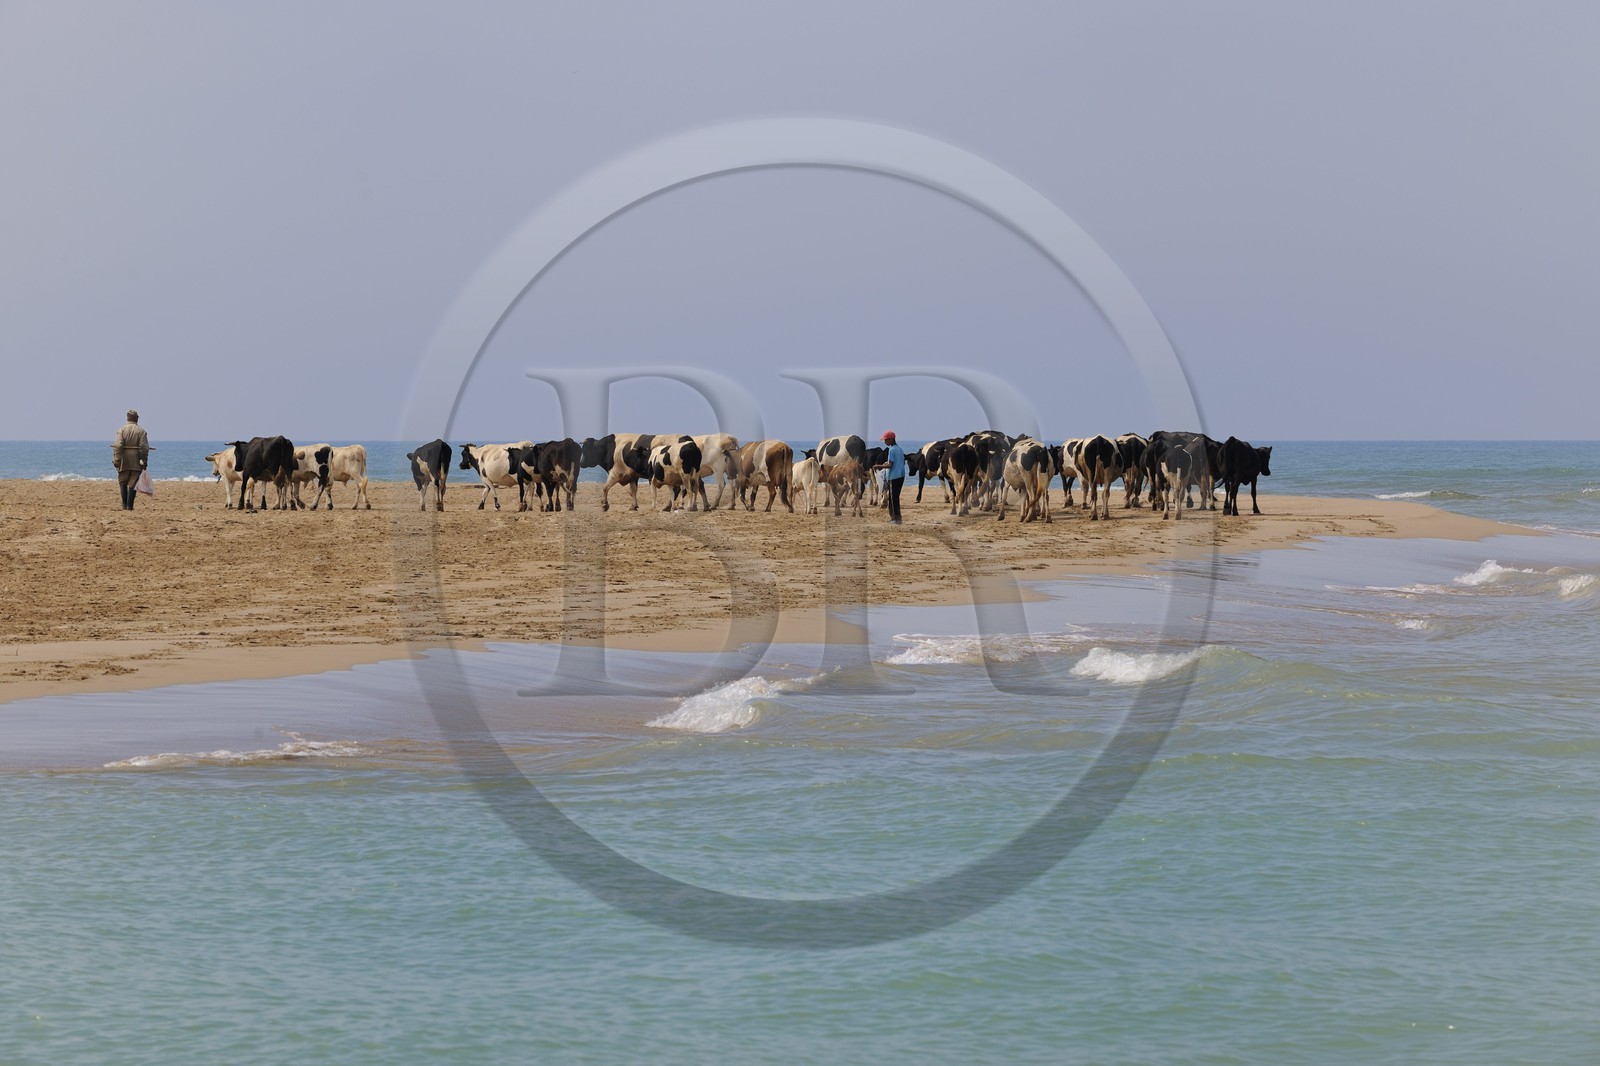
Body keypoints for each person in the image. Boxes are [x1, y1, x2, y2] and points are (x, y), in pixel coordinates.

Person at [111, 408, 150, 510]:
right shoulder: (141, 431)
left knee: (122, 481)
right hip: (136, 460)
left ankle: (124, 504)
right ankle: (130, 506)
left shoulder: (122, 430)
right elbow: (144, 448)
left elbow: (118, 446)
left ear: (128, 418)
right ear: (136, 418)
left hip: (124, 459)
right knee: (133, 483)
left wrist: (117, 459)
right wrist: (144, 460)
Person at [875, 430, 906, 525]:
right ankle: (897, 517)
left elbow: (890, 465)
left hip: (894, 476)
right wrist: (886, 464)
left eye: (886, 440)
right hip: (901, 475)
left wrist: (879, 466)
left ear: (891, 439)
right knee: (895, 497)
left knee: (893, 499)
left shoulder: (892, 450)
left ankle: (895, 519)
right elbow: (900, 462)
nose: (885, 442)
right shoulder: (900, 449)